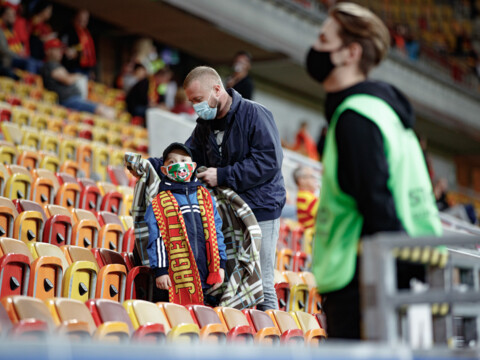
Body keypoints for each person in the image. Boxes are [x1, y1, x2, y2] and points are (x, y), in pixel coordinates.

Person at [306, 2, 442, 339]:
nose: (315, 48)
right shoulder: (385, 114)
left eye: (324, 40)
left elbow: (378, 206)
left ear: (349, 52)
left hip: (365, 282)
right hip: (396, 272)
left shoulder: (356, 119)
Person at [183, 66, 286, 311]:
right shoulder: (204, 125)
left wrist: (223, 175)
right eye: (191, 102)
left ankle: (272, 341)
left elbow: (269, 162)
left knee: (262, 284)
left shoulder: (255, 114)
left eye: (198, 100)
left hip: (260, 209)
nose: (195, 106)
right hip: (226, 213)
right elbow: (188, 156)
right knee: (231, 284)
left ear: (217, 89)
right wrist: (162, 164)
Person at [144, 142, 227, 305]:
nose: (179, 165)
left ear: (193, 166)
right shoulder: (159, 202)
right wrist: (160, 270)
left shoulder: (205, 196)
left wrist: (221, 266)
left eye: (183, 160)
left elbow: (217, 232)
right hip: (173, 278)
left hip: (206, 275)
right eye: (172, 163)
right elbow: (157, 239)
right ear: (164, 170)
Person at [41, 38, 114, 118]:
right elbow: (67, 80)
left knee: (107, 109)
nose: (60, 52)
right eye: (56, 49)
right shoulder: (50, 65)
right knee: (104, 111)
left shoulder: (57, 64)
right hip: (67, 101)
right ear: (47, 51)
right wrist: (79, 76)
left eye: (60, 49)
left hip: (74, 99)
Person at [61, 9, 96, 77]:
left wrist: (92, 69)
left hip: (86, 68)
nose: (82, 21)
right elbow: (63, 46)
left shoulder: (87, 34)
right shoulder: (68, 30)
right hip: (73, 67)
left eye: (85, 19)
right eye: (80, 19)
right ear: (75, 18)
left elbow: (90, 53)